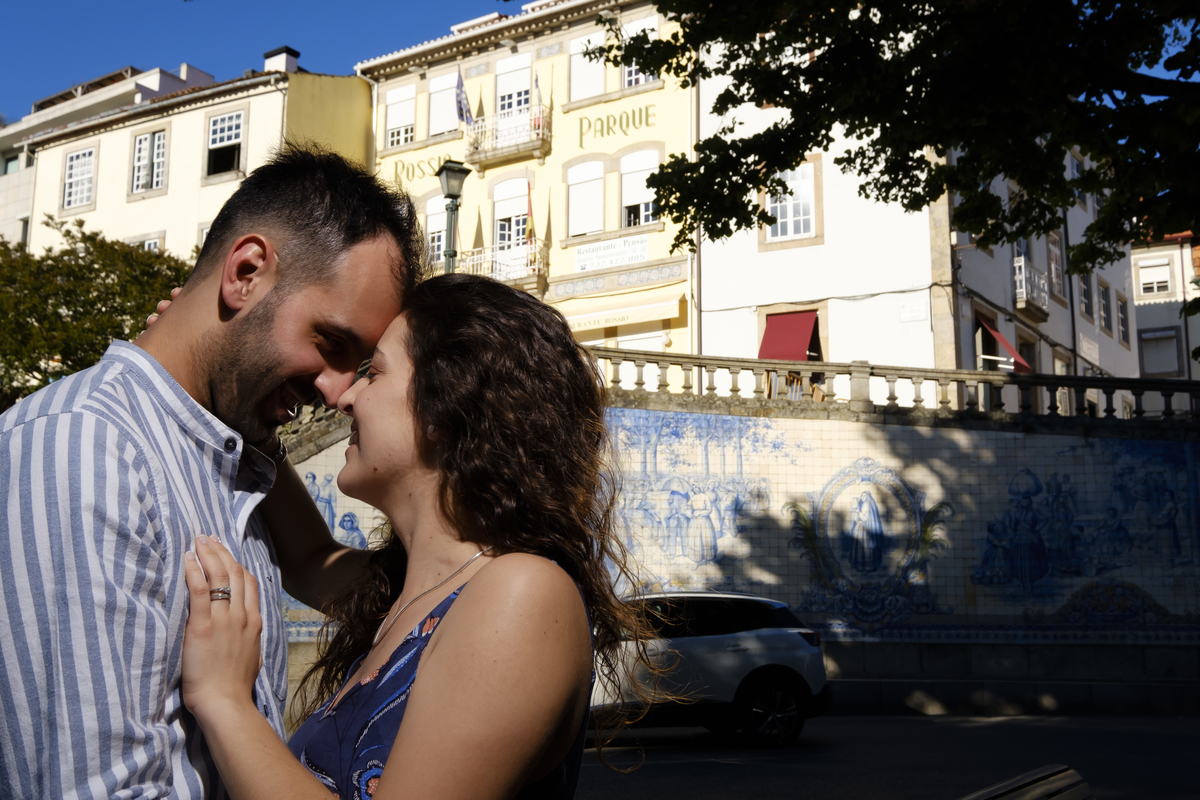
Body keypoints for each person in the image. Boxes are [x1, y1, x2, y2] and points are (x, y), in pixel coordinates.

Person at [0, 144, 423, 800]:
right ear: (246, 272)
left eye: (363, 365)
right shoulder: (88, 447)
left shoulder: (226, 459)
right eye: (331, 344)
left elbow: (324, 564)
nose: (341, 392)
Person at [178, 273, 653, 800]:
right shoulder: (411, 589)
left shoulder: (522, 593)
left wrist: (223, 699)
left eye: (373, 373)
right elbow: (310, 557)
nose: (345, 397)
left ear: (444, 410)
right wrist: (210, 371)